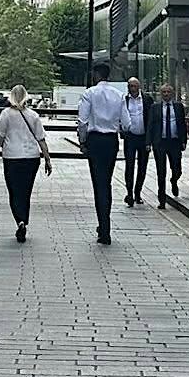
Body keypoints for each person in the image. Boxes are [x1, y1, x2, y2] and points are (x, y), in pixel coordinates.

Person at [0, 85, 52, 241]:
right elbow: (41, 139)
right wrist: (47, 159)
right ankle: (24, 218)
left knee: (14, 191)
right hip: (32, 158)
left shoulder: (6, 114)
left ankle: (20, 221)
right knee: (26, 191)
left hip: (12, 158)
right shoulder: (33, 115)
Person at [77, 62, 126, 245]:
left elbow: (82, 121)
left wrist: (82, 141)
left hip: (95, 140)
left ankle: (103, 227)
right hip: (111, 140)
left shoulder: (89, 93)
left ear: (96, 75)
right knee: (107, 182)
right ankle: (105, 225)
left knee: (98, 183)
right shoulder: (119, 95)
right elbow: (127, 123)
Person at [148, 84, 187, 208]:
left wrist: (184, 140)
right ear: (161, 94)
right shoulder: (155, 107)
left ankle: (174, 180)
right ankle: (162, 199)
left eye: (168, 92)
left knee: (177, 169)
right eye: (163, 92)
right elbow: (150, 125)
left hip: (174, 142)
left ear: (172, 93)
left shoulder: (178, 107)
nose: (166, 94)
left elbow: (182, 124)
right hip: (160, 142)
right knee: (161, 171)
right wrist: (148, 142)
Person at [121, 77, 152, 206]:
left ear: (139, 87)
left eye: (134, 86)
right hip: (130, 137)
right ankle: (129, 193)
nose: (132, 89)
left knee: (142, 166)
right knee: (129, 165)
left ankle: (137, 192)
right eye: (130, 86)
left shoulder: (147, 99)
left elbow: (151, 119)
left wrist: (150, 139)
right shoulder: (124, 100)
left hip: (143, 137)